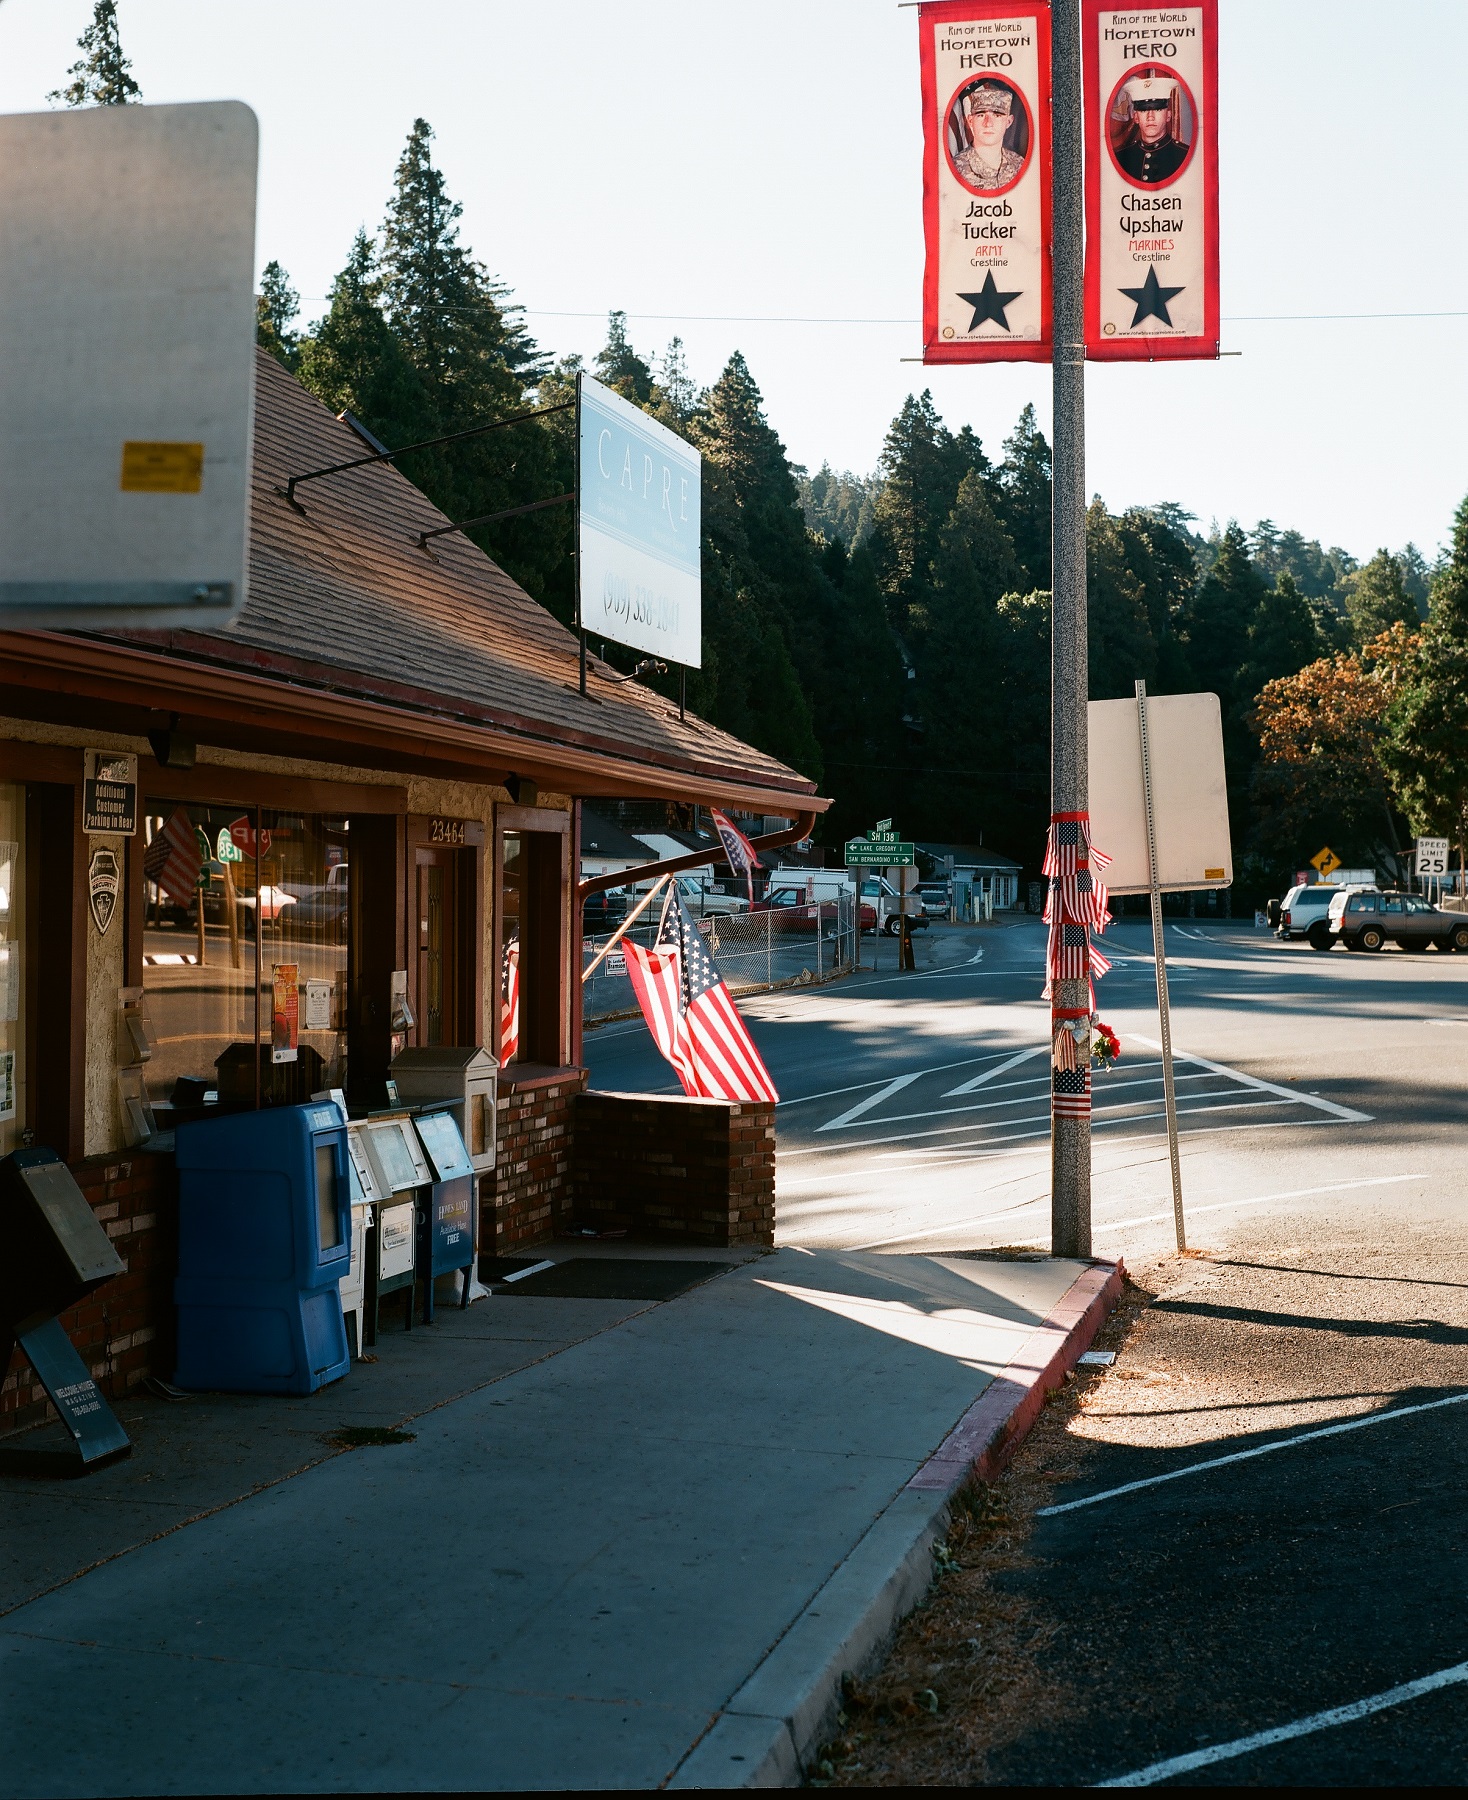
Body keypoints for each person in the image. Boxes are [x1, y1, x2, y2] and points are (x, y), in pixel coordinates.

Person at [1115, 66, 1191, 184]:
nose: (1150, 116)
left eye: (1158, 109)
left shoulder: (1185, 156)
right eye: (1144, 110)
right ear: (1136, 117)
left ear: (1168, 115)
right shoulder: (1121, 158)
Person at [953, 81, 1025, 190]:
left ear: (1009, 122)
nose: (988, 123)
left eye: (997, 115)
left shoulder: (1019, 164)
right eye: (981, 115)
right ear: (970, 121)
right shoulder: (955, 169)